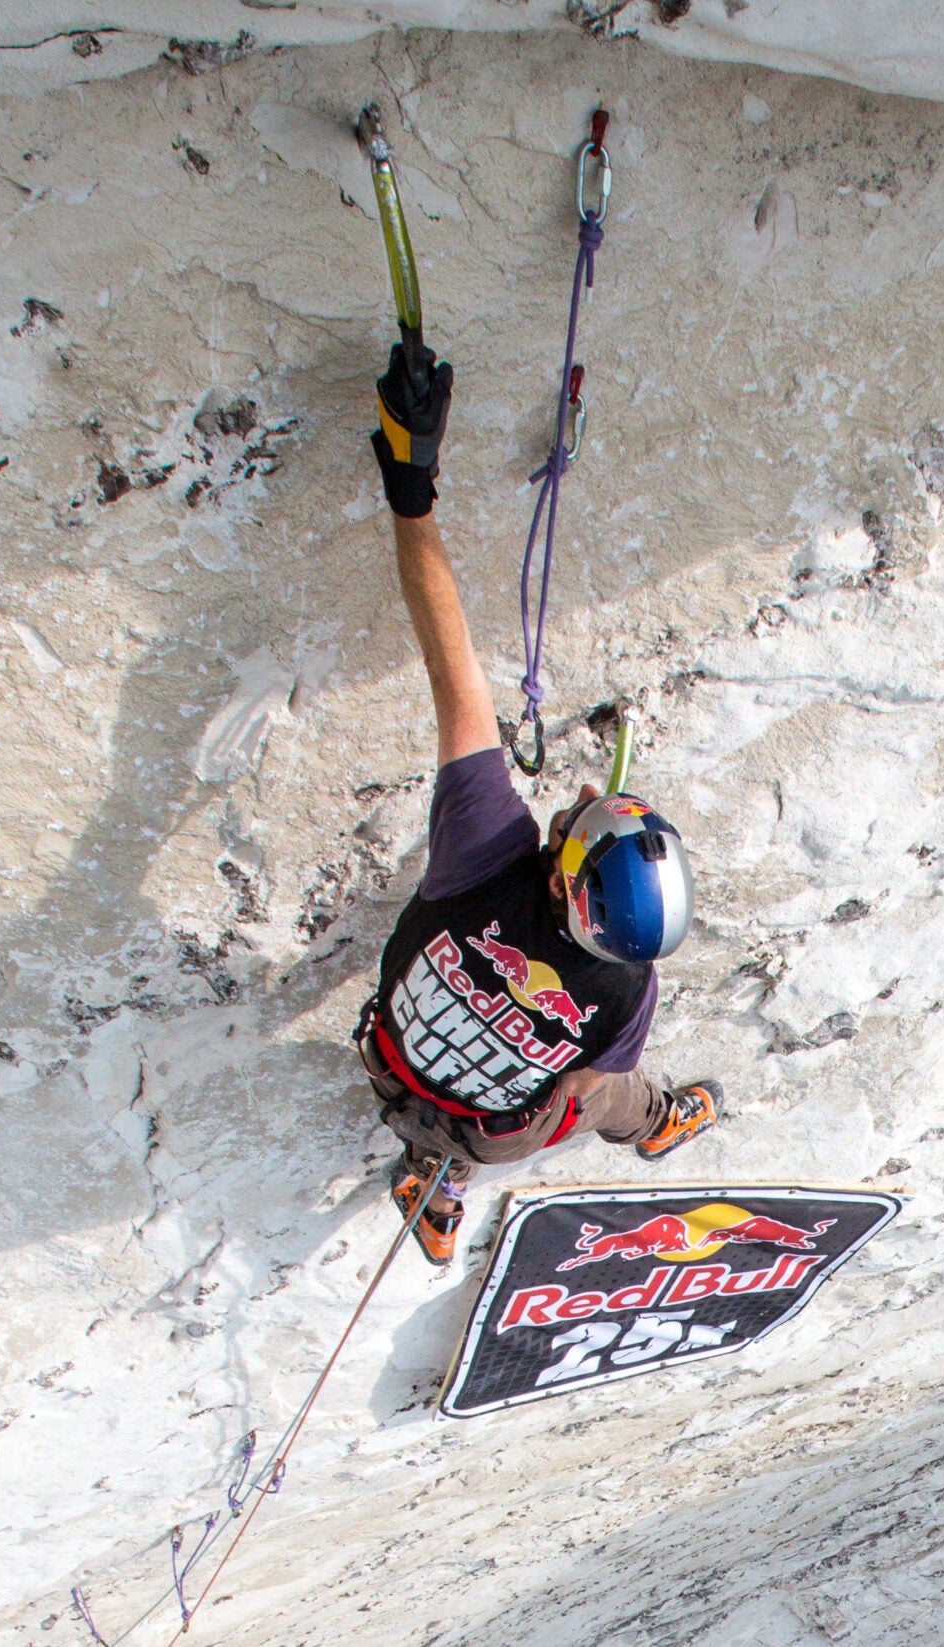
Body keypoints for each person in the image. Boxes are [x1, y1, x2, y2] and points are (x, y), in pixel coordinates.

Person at [354, 342, 722, 1263]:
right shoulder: (621, 985)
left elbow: (454, 672)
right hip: (487, 1123)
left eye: (578, 824)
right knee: (602, 1089)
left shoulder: (482, 844)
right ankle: (655, 1127)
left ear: (563, 878)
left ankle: (432, 1172)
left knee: (500, 1062)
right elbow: (588, 1061)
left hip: (391, 1061)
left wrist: (411, 482)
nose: (584, 798)